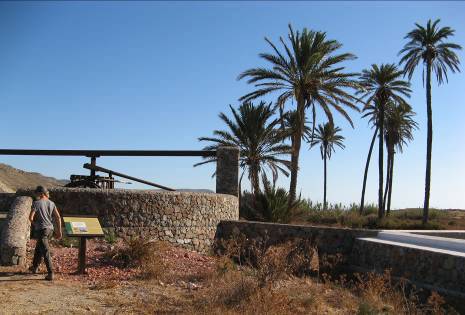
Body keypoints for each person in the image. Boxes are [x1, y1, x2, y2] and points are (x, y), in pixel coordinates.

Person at [28, 186, 62, 280]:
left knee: (45, 250)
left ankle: (50, 273)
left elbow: (30, 218)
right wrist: (59, 231)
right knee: (39, 248)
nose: (35, 196)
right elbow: (58, 217)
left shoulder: (36, 203)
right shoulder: (52, 203)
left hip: (41, 229)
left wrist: (35, 224)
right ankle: (34, 267)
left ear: (41, 193)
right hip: (50, 229)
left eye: (36, 194)